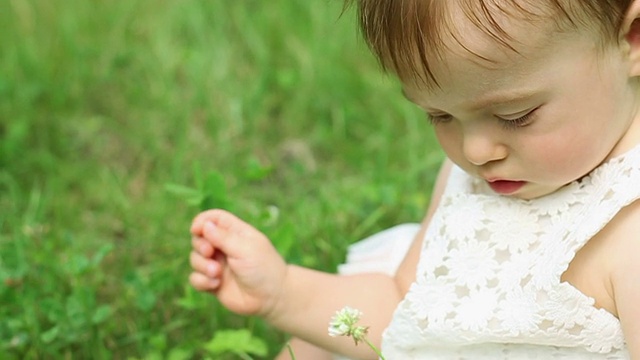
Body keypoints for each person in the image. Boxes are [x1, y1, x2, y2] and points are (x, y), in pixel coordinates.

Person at [188, 0, 640, 358]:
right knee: (311, 348)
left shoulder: (628, 228)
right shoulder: (483, 171)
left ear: (633, 40)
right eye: (439, 115)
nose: (474, 151)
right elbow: (408, 314)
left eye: (515, 116)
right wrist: (281, 292)